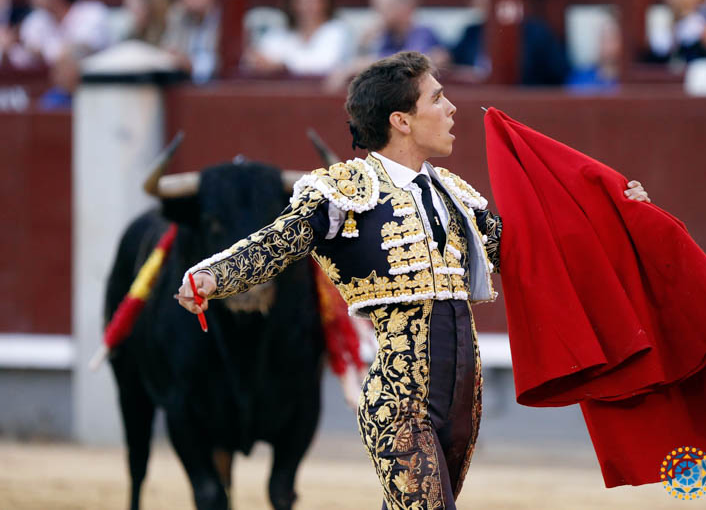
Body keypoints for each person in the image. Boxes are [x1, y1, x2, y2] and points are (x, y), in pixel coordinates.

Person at [175, 51, 650, 508]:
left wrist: (619, 218)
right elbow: (277, 241)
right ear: (401, 120)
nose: (451, 108)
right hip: (398, 400)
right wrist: (211, 276)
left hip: (465, 398)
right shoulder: (343, 191)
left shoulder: (456, 195)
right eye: (437, 98)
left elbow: (537, 258)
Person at [242, 0, 351, 76]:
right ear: (291, 2)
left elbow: (325, 63)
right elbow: (259, 59)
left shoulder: (337, 30)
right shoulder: (280, 34)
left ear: (326, 1)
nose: (308, 4)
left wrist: (282, 64)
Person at [161, 0, 221, 83]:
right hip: (186, 84)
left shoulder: (224, 20)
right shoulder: (180, 18)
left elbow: (221, 63)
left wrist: (191, 64)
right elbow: (169, 51)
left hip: (218, 86)